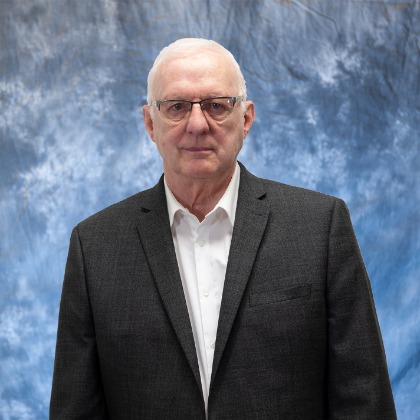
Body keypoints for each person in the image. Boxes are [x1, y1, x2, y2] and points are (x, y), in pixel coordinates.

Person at [50, 38, 396, 419]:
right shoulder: (95, 246)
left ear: (245, 118)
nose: (197, 124)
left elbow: (364, 400)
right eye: (177, 107)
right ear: (151, 123)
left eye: (216, 105)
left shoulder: (319, 226)